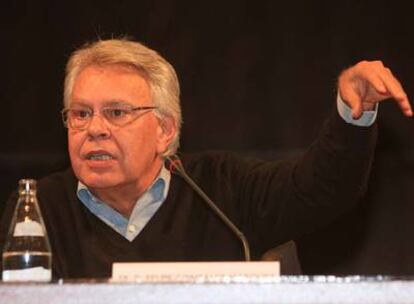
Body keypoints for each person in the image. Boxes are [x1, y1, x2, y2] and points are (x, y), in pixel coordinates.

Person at [0, 39, 411, 279]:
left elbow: (322, 190)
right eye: (81, 114)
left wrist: (351, 115)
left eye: (117, 112)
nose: (95, 128)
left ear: (165, 130)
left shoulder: (221, 191)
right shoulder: (38, 208)